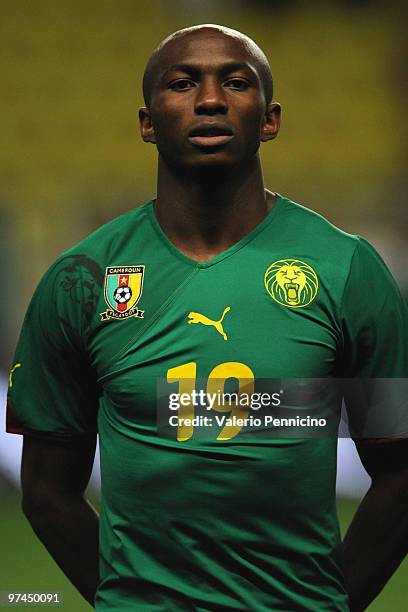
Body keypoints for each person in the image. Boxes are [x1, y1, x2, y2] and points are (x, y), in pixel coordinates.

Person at [6, 24, 408, 611]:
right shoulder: (81, 280)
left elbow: (400, 474)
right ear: (147, 123)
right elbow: (45, 491)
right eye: (184, 83)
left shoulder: (349, 270)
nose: (212, 99)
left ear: (269, 119)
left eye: (236, 82)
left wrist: (326, 604)